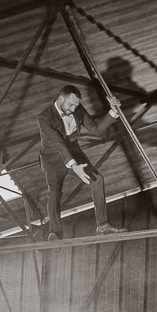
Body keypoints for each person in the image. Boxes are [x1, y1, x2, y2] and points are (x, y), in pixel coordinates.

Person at [36, 85, 126, 240]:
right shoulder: (44, 117)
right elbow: (58, 143)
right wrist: (73, 165)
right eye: (71, 104)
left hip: (73, 151)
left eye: (76, 105)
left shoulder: (77, 108)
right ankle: (55, 233)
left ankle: (103, 225)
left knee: (97, 180)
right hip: (53, 157)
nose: (74, 108)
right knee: (54, 192)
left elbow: (96, 129)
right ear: (61, 99)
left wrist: (113, 112)